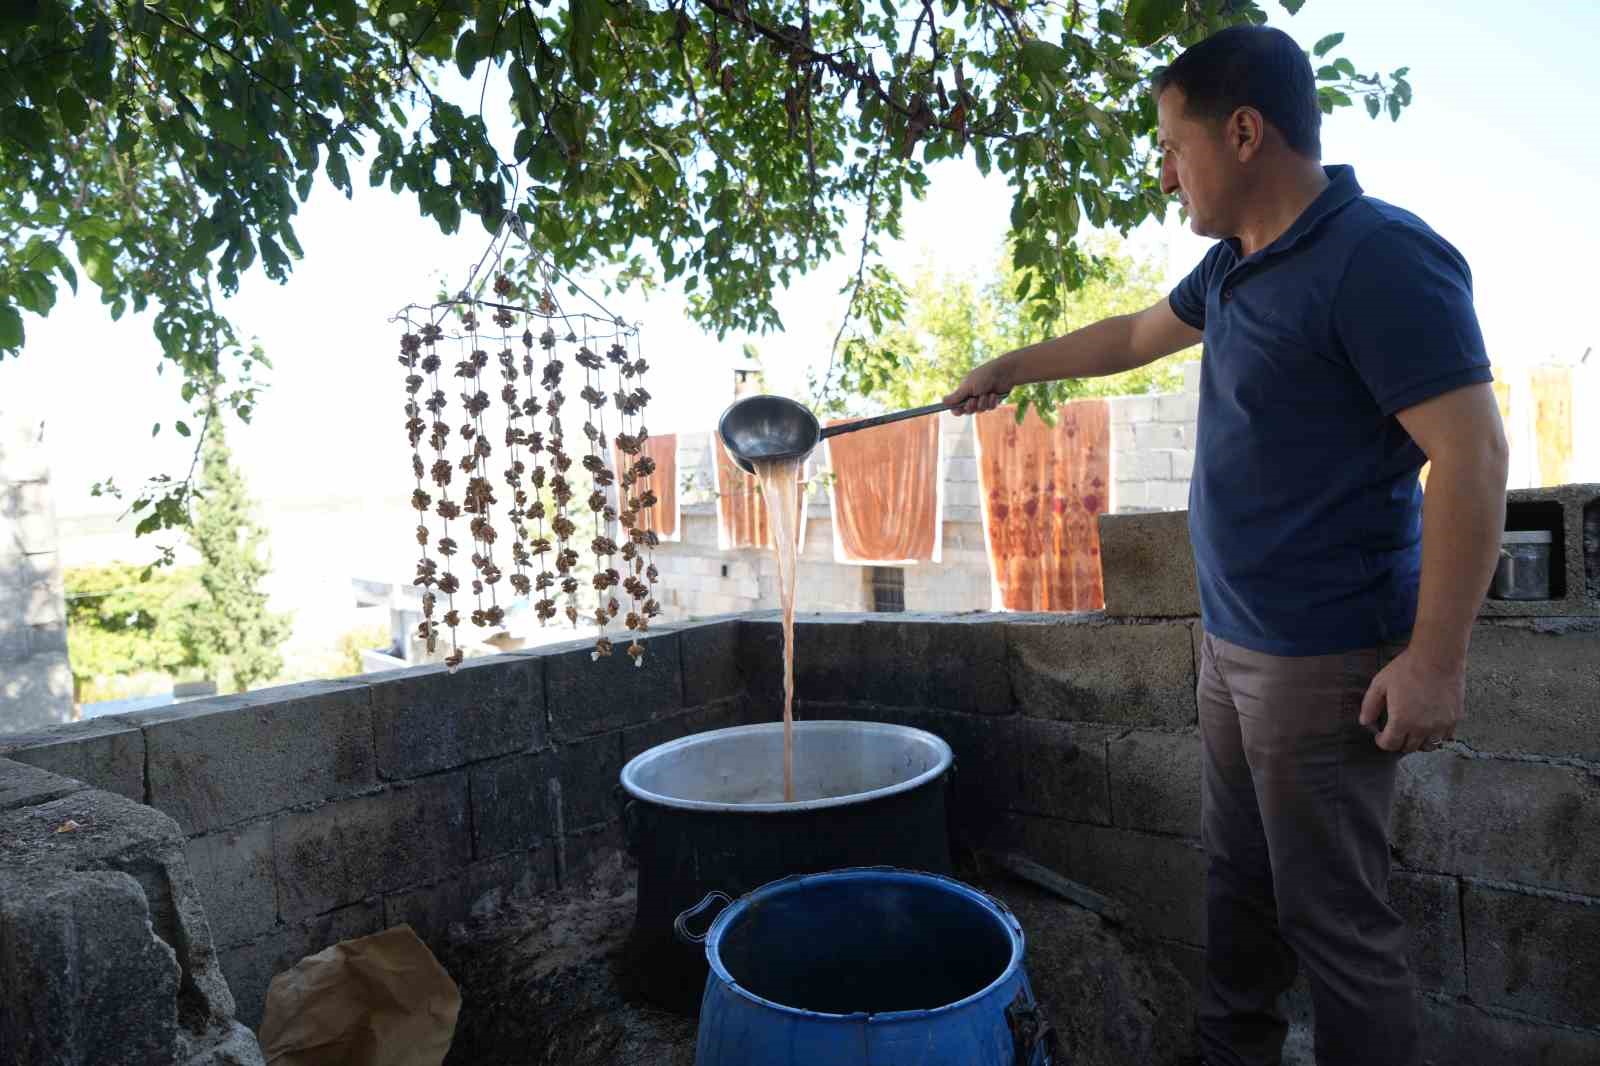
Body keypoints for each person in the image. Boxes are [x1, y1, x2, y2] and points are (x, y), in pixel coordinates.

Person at [944, 24, 1509, 1066]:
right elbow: (1126, 337)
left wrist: (1435, 659)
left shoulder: (1377, 257)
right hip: (1233, 650)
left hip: (1325, 660)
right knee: (1236, 893)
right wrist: (1008, 365)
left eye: (1172, 145)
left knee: (1335, 927)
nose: (1164, 174)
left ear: (1242, 132)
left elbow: (1471, 458)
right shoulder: (1233, 269)